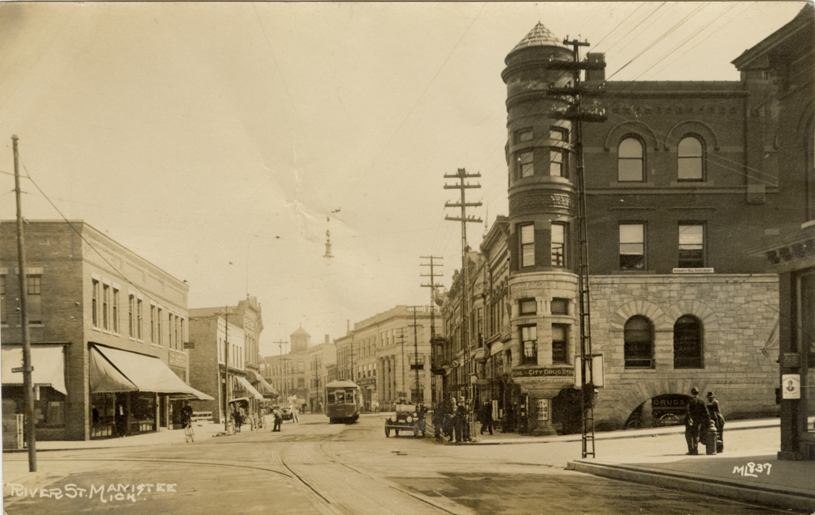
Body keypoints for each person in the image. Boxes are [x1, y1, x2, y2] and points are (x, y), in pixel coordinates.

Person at [684, 387, 710, 455]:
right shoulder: (701, 401)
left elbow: (687, 410)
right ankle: (695, 450)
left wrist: (689, 418)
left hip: (690, 422)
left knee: (689, 436)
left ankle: (691, 450)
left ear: (691, 393)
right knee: (696, 435)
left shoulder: (689, 401)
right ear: (698, 393)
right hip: (698, 421)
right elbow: (706, 412)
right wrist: (706, 421)